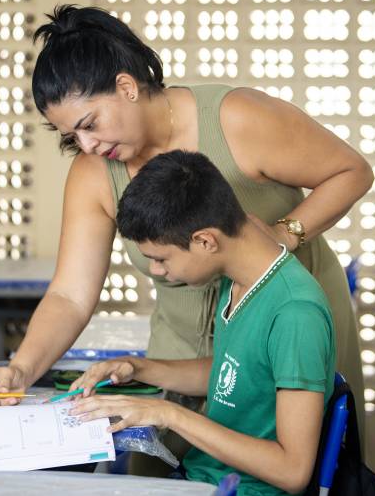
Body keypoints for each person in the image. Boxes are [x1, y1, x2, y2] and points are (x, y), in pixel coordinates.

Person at [0, 4, 371, 465]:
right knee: (160, 467)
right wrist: (19, 371)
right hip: (183, 355)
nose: (87, 146)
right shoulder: (94, 171)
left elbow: (351, 171)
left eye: (89, 124)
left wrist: (279, 240)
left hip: (288, 339)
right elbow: (70, 294)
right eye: (71, 137)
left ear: (126, 87)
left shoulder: (238, 119)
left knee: (302, 468)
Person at [69, 150, 335, 494]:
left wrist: (169, 413)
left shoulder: (295, 314)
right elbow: (236, 373)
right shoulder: (239, 278)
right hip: (204, 478)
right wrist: (138, 367)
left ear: (205, 241)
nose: (156, 271)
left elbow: (292, 471)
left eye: (161, 258)